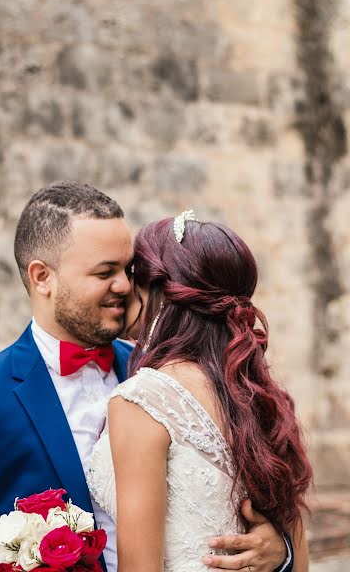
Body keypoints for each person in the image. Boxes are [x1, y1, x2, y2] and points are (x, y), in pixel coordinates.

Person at [0, 183, 292, 572]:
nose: (126, 286)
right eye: (104, 272)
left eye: (128, 269)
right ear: (42, 277)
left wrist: (281, 552)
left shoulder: (163, 380)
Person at [89, 211, 312, 572]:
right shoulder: (257, 396)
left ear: (161, 293)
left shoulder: (143, 400)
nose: (124, 288)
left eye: (134, 276)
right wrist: (283, 553)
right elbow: (300, 564)